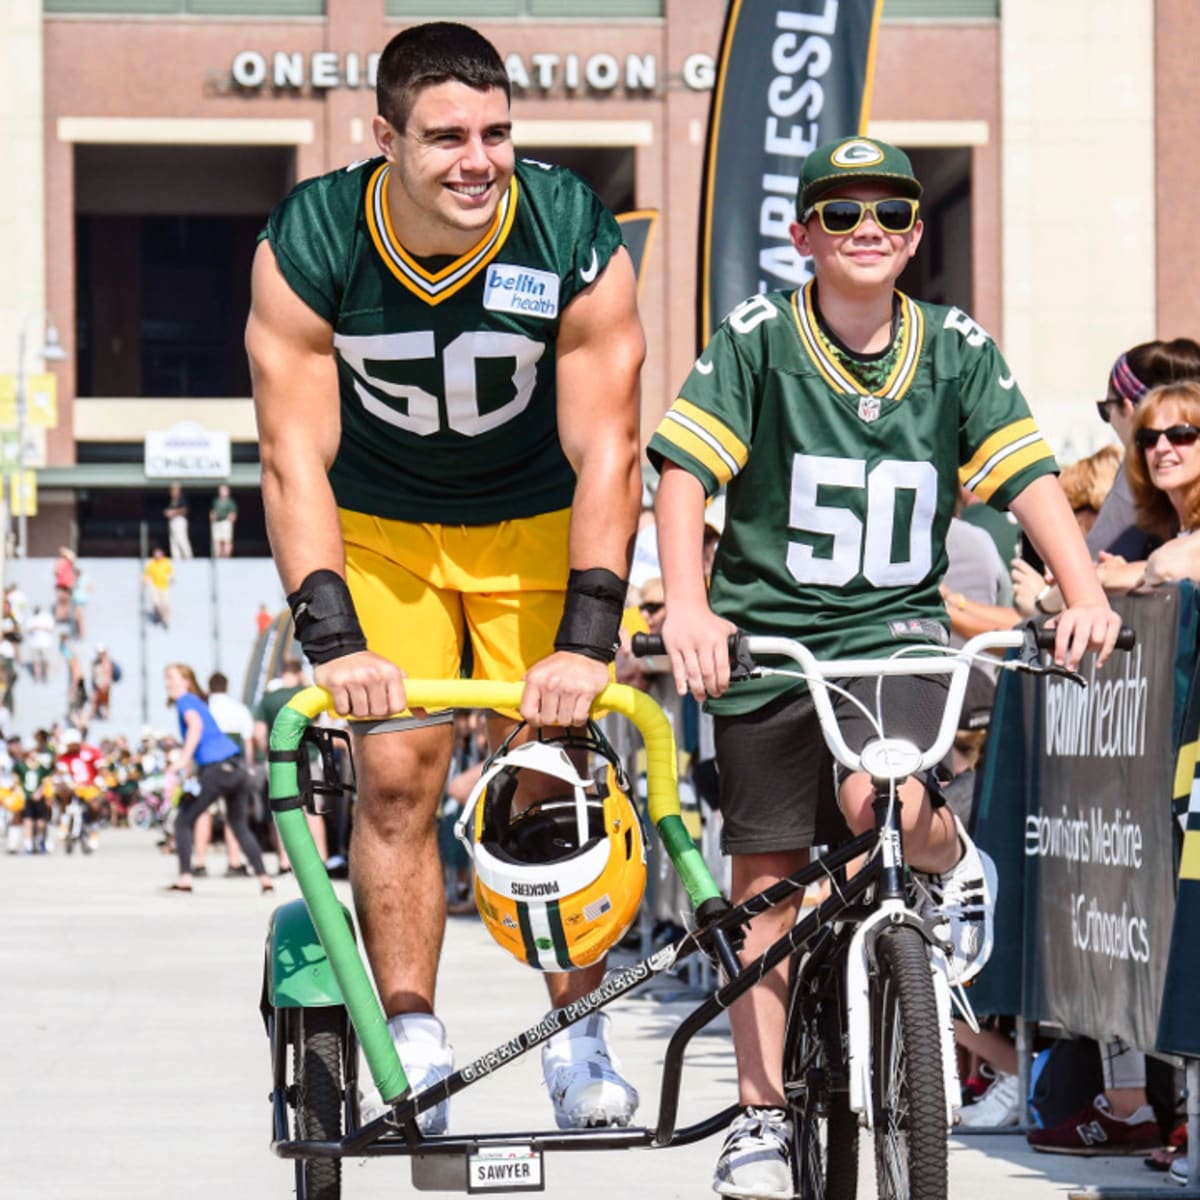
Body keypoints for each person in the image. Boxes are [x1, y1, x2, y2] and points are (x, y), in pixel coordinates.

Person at [647, 136, 1122, 1198]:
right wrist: (688, 604)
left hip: (892, 636)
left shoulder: (954, 346)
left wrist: (1083, 590)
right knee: (765, 886)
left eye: (891, 214)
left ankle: (952, 872)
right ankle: (761, 1119)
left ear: (914, 237)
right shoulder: (760, 337)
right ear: (802, 230)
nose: (868, 230)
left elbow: (1029, 475)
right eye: (843, 211)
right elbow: (684, 471)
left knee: (885, 799)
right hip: (769, 638)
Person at [245, 21, 644, 1134]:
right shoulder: (314, 237)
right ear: (384, 138)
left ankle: (579, 1036)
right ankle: (414, 1033)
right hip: (380, 523)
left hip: (532, 517)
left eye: (497, 132)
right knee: (397, 772)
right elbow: (293, 455)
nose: (479, 160)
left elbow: (609, 445)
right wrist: (331, 637)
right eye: (447, 136)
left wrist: (590, 633)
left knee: (555, 771)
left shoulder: (568, 229)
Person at [163, 663, 272, 894]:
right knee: (239, 824)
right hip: (236, 766)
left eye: (172, 678)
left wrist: (182, 760)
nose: (168, 683)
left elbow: (196, 727)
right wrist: (191, 768)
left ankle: (185, 879)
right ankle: (264, 878)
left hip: (217, 770)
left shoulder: (186, 700)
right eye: (166, 678)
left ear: (187, 681)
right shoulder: (199, 702)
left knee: (183, 821)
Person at [190, 671, 256, 877]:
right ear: (227, 687)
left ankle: (200, 862)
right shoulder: (240, 709)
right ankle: (234, 862)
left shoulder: (204, 709)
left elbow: (195, 739)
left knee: (203, 813)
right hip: (234, 767)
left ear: (209, 688)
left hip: (208, 767)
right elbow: (248, 742)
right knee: (233, 816)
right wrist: (249, 767)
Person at [143, 547, 173, 629]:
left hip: (164, 587)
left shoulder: (166, 562)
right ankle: (156, 617)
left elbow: (170, 572)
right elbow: (147, 574)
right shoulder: (151, 564)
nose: (157, 556)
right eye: (156, 554)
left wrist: (170, 578)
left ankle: (166, 621)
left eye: (159, 554)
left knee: (165, 604)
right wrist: (145, 582)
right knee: (156, 603)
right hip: (155, 587)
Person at [165, 484, 192, 559]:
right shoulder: (172, 500)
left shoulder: (182, 498)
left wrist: (173, 512)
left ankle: (188, 558)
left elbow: (185, 510)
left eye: (174, 490)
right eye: (171, 490)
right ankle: (176, 559)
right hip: (172, 522)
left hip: (180, 521)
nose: (172, 492)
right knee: (173, 541)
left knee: (182, 539)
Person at [210, 484, 238, 558]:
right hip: (217, 523)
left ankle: (226, 556)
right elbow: (213, 512)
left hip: (226, 523)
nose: (222, 492)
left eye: (224, 490)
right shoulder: (216, 501)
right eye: (221, 490)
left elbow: (233, 514)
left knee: (227, 540)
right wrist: (212, 516)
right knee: (217, 541)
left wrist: (230, 519)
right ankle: (218, 556)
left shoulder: (230, 502)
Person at [53, 546, 76, 625]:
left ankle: (64, 618)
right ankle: (61, 618)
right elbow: (56, 573)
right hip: (62, 585)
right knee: (61, 602)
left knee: (66, 602)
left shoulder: (68, 562)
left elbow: (72, 557)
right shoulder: (60, 562)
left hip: (67, 586)